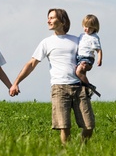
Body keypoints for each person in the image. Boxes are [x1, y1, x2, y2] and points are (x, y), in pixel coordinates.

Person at [9, 9, 95, 145]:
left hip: (79, 87)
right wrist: (16, 82)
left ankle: (80, 149)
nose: (48, 20)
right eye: (48, 18)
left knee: (89, 126)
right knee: (64, 127)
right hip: (59, 88)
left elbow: (88, 58)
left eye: (52, 18)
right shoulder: (46, 42)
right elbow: (31, 64)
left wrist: (88, 66)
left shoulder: (77, 40)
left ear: (62, 21)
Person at [76, 14, 102, 97]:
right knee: (81, 74)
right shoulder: (81, 35)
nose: (87, 29)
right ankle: (85, 89)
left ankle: (90, 87)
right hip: (79, 57)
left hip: (87, 58)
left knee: (78, 71)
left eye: (90, 27)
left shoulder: (94, 37)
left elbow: (99, 50)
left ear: (95, 28)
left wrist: (99, 59)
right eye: (85, 26)